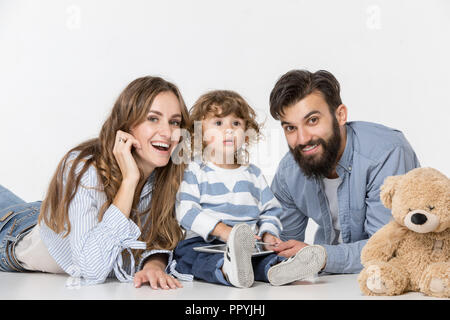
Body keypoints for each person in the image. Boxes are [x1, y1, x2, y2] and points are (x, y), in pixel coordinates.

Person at [0, 76, 191, 290]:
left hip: (54, 215)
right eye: (153, 118)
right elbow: (93, 270)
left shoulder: (169, 177)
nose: (167, 132)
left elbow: (162, 239)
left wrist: (154, 264)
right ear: (127, 126)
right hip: (17, 235)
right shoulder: (84, 168)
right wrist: (129, 180)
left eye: (174, 122)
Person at [268, 69, 420, 274]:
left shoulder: (386, 154)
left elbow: (387, 249)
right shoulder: (289, 172)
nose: (302, 139)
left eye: (312, 120)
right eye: (290, 128)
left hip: (394, 279)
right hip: (328, 284)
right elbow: (283, 247)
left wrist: (319, 257)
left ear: (340, 115)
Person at [172, 90, 326, 288]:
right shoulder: (195, 170)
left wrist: (268, 234)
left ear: (246, 135)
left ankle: (279, 269)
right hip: (204, 243)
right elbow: (186, 210)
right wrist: (223, 231)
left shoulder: (253, 174)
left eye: (236, 124)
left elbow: (270, 210)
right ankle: (227, 270)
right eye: (218, 123)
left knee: (262, 257)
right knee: (192, 257)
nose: (228, 130)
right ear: (201, 133)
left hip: (247, 247)